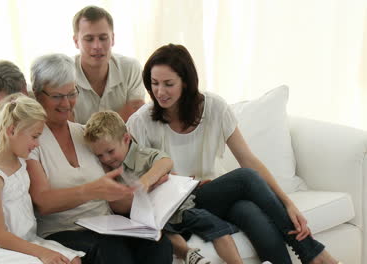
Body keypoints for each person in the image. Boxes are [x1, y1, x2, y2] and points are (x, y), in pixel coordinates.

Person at [126, 44, 342, 264]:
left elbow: (248, 159)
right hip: (179, 208)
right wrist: (177, 183)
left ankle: (308, 255)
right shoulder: (141, 122)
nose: (160, 92)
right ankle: (313, 253)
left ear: (186, 82)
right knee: (245, 178)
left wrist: (288, 202)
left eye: (168, 84)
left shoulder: (214, 108)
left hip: (214, 195)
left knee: (248, 210)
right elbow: (140, 182)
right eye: (154, 84)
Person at [26, 53, 173, 264]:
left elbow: (114, 201)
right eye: (57, 96)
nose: (66, 104)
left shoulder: (86, 134)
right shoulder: (33, 141)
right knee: (112, 252)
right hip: (63, 231)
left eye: (72, 93)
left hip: (107, 224)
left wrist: (141, 191)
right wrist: (91, 190)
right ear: (39, 95)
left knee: (159, 244)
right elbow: (43, 203)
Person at [84, 110, 254, 264]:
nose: (106, 158)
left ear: (126, 139)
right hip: (154, 220)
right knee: (159, 233)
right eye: (100, 155)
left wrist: (146, 181)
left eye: (110, 151)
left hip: (180, 208)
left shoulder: (144, 155)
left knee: (217, 228)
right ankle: (190, 255)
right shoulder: (109, 174)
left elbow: (165, 162)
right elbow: (117, 204)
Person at [0, 93, 84, 264]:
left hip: (24, 241)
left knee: (73, 260)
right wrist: (43, 253)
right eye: (34, 136)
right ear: (12, 131)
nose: (37, 144)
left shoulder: (21, 161)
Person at [72, 5, 145, 124]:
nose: (97, 46)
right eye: (89, 39)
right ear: (76, 42)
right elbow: (63, 127)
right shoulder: (64, 74)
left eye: (103, 38)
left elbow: (136, 116)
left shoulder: (131, 68)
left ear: (113, 38)